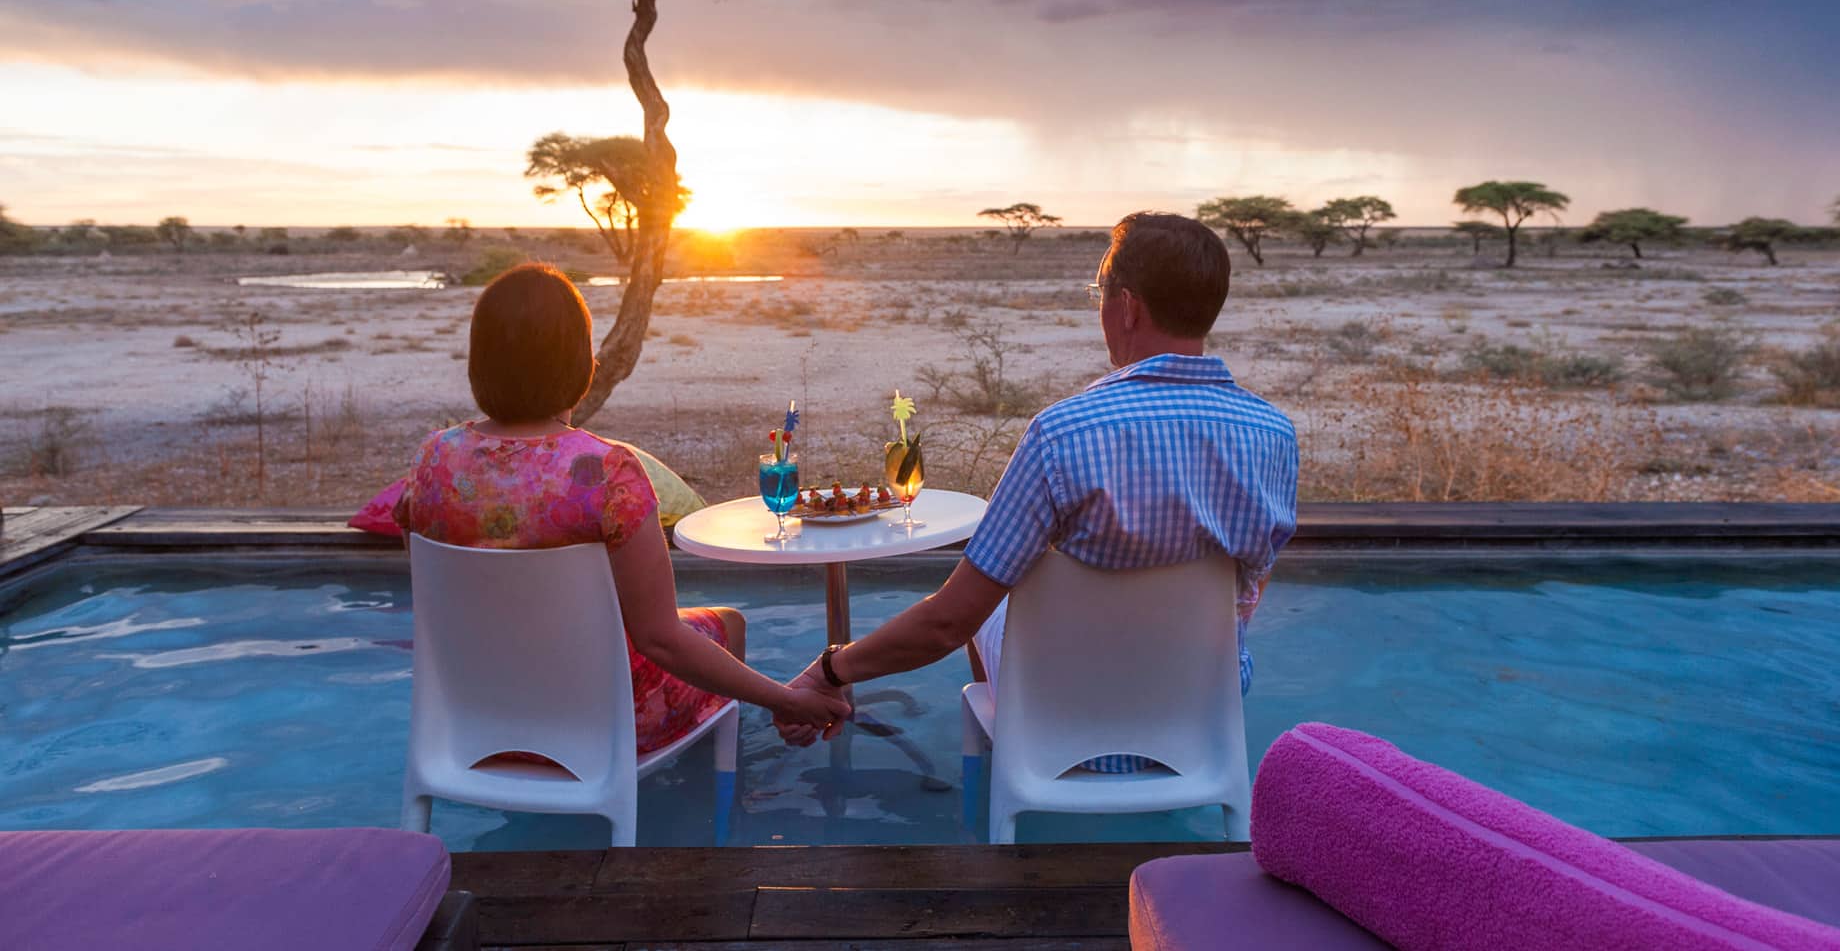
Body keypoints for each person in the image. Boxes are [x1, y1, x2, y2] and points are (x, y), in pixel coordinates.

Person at [776, 212, 1297, 763]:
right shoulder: (1274, 435)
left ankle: (1017, 763)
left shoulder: (1064, 434)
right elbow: (1245, 594)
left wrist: (830, 669)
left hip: (1070, 720)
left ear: (1127, 307)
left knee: (992, 609)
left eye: (1099, 293)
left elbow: (948, 623)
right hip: (1203, 712)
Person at [396, 262, 847, 758]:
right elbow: (660, 640)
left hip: (477, 715)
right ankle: (707, 783)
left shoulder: (431, 459)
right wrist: (785, 700)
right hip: (603, 721)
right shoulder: (606, 471)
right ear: (580, 359)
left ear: (480, 358)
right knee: (727, 622)